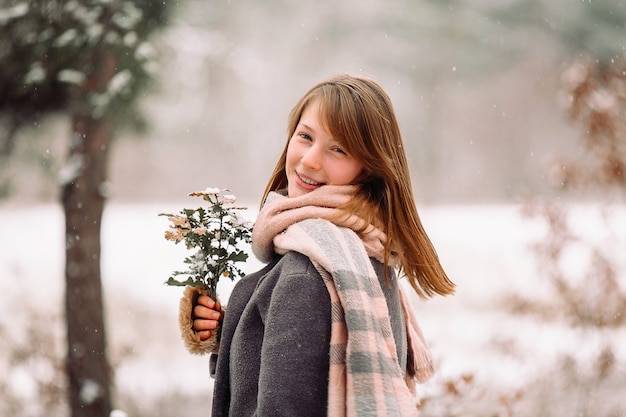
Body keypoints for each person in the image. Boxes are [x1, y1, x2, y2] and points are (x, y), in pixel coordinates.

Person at [179, 74, 455, 416]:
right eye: (305, 136)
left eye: (337, 149)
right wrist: (233, 328)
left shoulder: (309, 274)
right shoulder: (365, 258)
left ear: (369, 168)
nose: (310, 159)